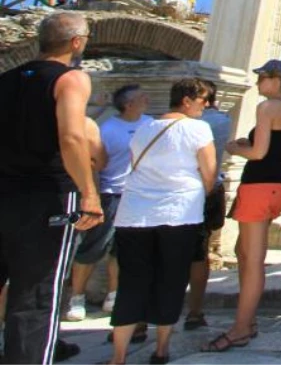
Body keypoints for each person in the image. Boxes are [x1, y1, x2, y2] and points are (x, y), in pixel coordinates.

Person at [0, 11, 100, 365]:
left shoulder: (6, 78)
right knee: (36, 297)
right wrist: (88, 192)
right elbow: (72, 136)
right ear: (76, 42)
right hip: (47, 197)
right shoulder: (71, 79)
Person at [105, 78, 216, 365]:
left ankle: (118, 356)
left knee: (131, 282)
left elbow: (135, 163)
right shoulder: (198, 128)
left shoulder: (143, 127)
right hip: (178, 213)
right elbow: (209, 172)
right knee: (171, 278)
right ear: (187, 100)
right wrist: (198, 195)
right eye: (204, 100)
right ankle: (161, 349)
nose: (207, 106)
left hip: (134, 212)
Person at [203, 60, 281, 352]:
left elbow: (258, 153)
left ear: (276, 80)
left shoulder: (268, 108)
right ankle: (248, 320)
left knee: (253, 259)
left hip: (259, 184)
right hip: (278, 185)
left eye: (262, 78)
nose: (258, 83)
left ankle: (240, 328)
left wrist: (236, 148)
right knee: (244, 253)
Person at [66, 85, 151, 322]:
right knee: (94, 246)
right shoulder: (108, 129)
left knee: (123, 249)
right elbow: (95, 162)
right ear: (128, 105)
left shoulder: (150, 124)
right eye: (141, 96)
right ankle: (77, 296)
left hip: (138, 194)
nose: (147, 98)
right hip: (110, 193)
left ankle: (114, 295)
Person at [184, 80, 231, 331]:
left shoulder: (186, 125)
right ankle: (194, 311)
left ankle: (143, 319)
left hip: (182, 193)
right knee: (198, 253)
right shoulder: (222, 121)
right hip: (210, 190)